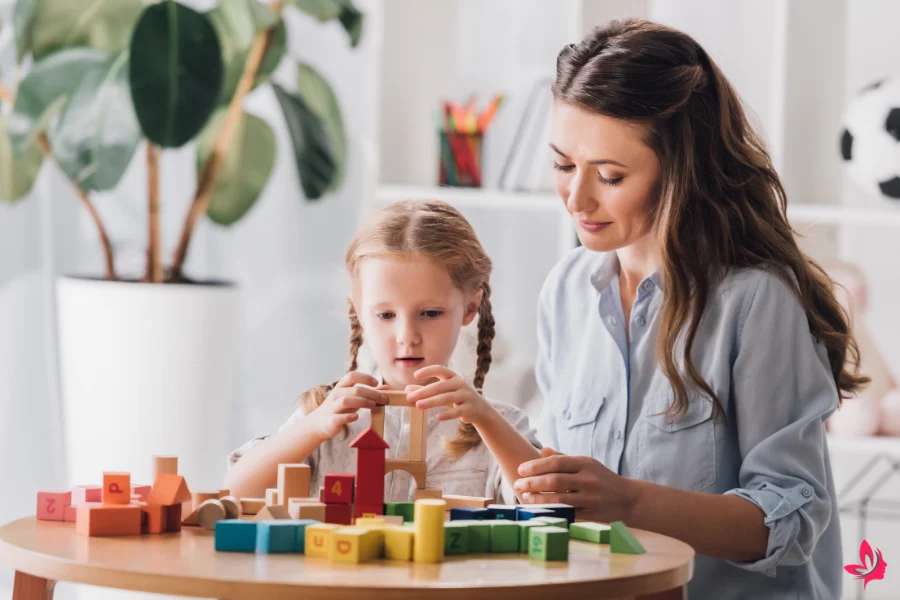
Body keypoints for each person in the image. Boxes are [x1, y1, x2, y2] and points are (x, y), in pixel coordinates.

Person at [514, 18, 867, 599]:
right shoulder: (566, 290)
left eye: (609, 175)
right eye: (562, 165)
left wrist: (627, 501)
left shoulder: (754, 301)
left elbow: (792, 522)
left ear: (680, 170)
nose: (577, 198)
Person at [225, 200, 541, 503]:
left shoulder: (499, 426)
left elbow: (545, 501)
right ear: (359, 311)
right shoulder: (327, 416)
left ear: (470, 307)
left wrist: (484, 418)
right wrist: (316, 426)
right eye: (386, 315)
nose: (407, 337)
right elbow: (237, 491)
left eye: (430, 313)